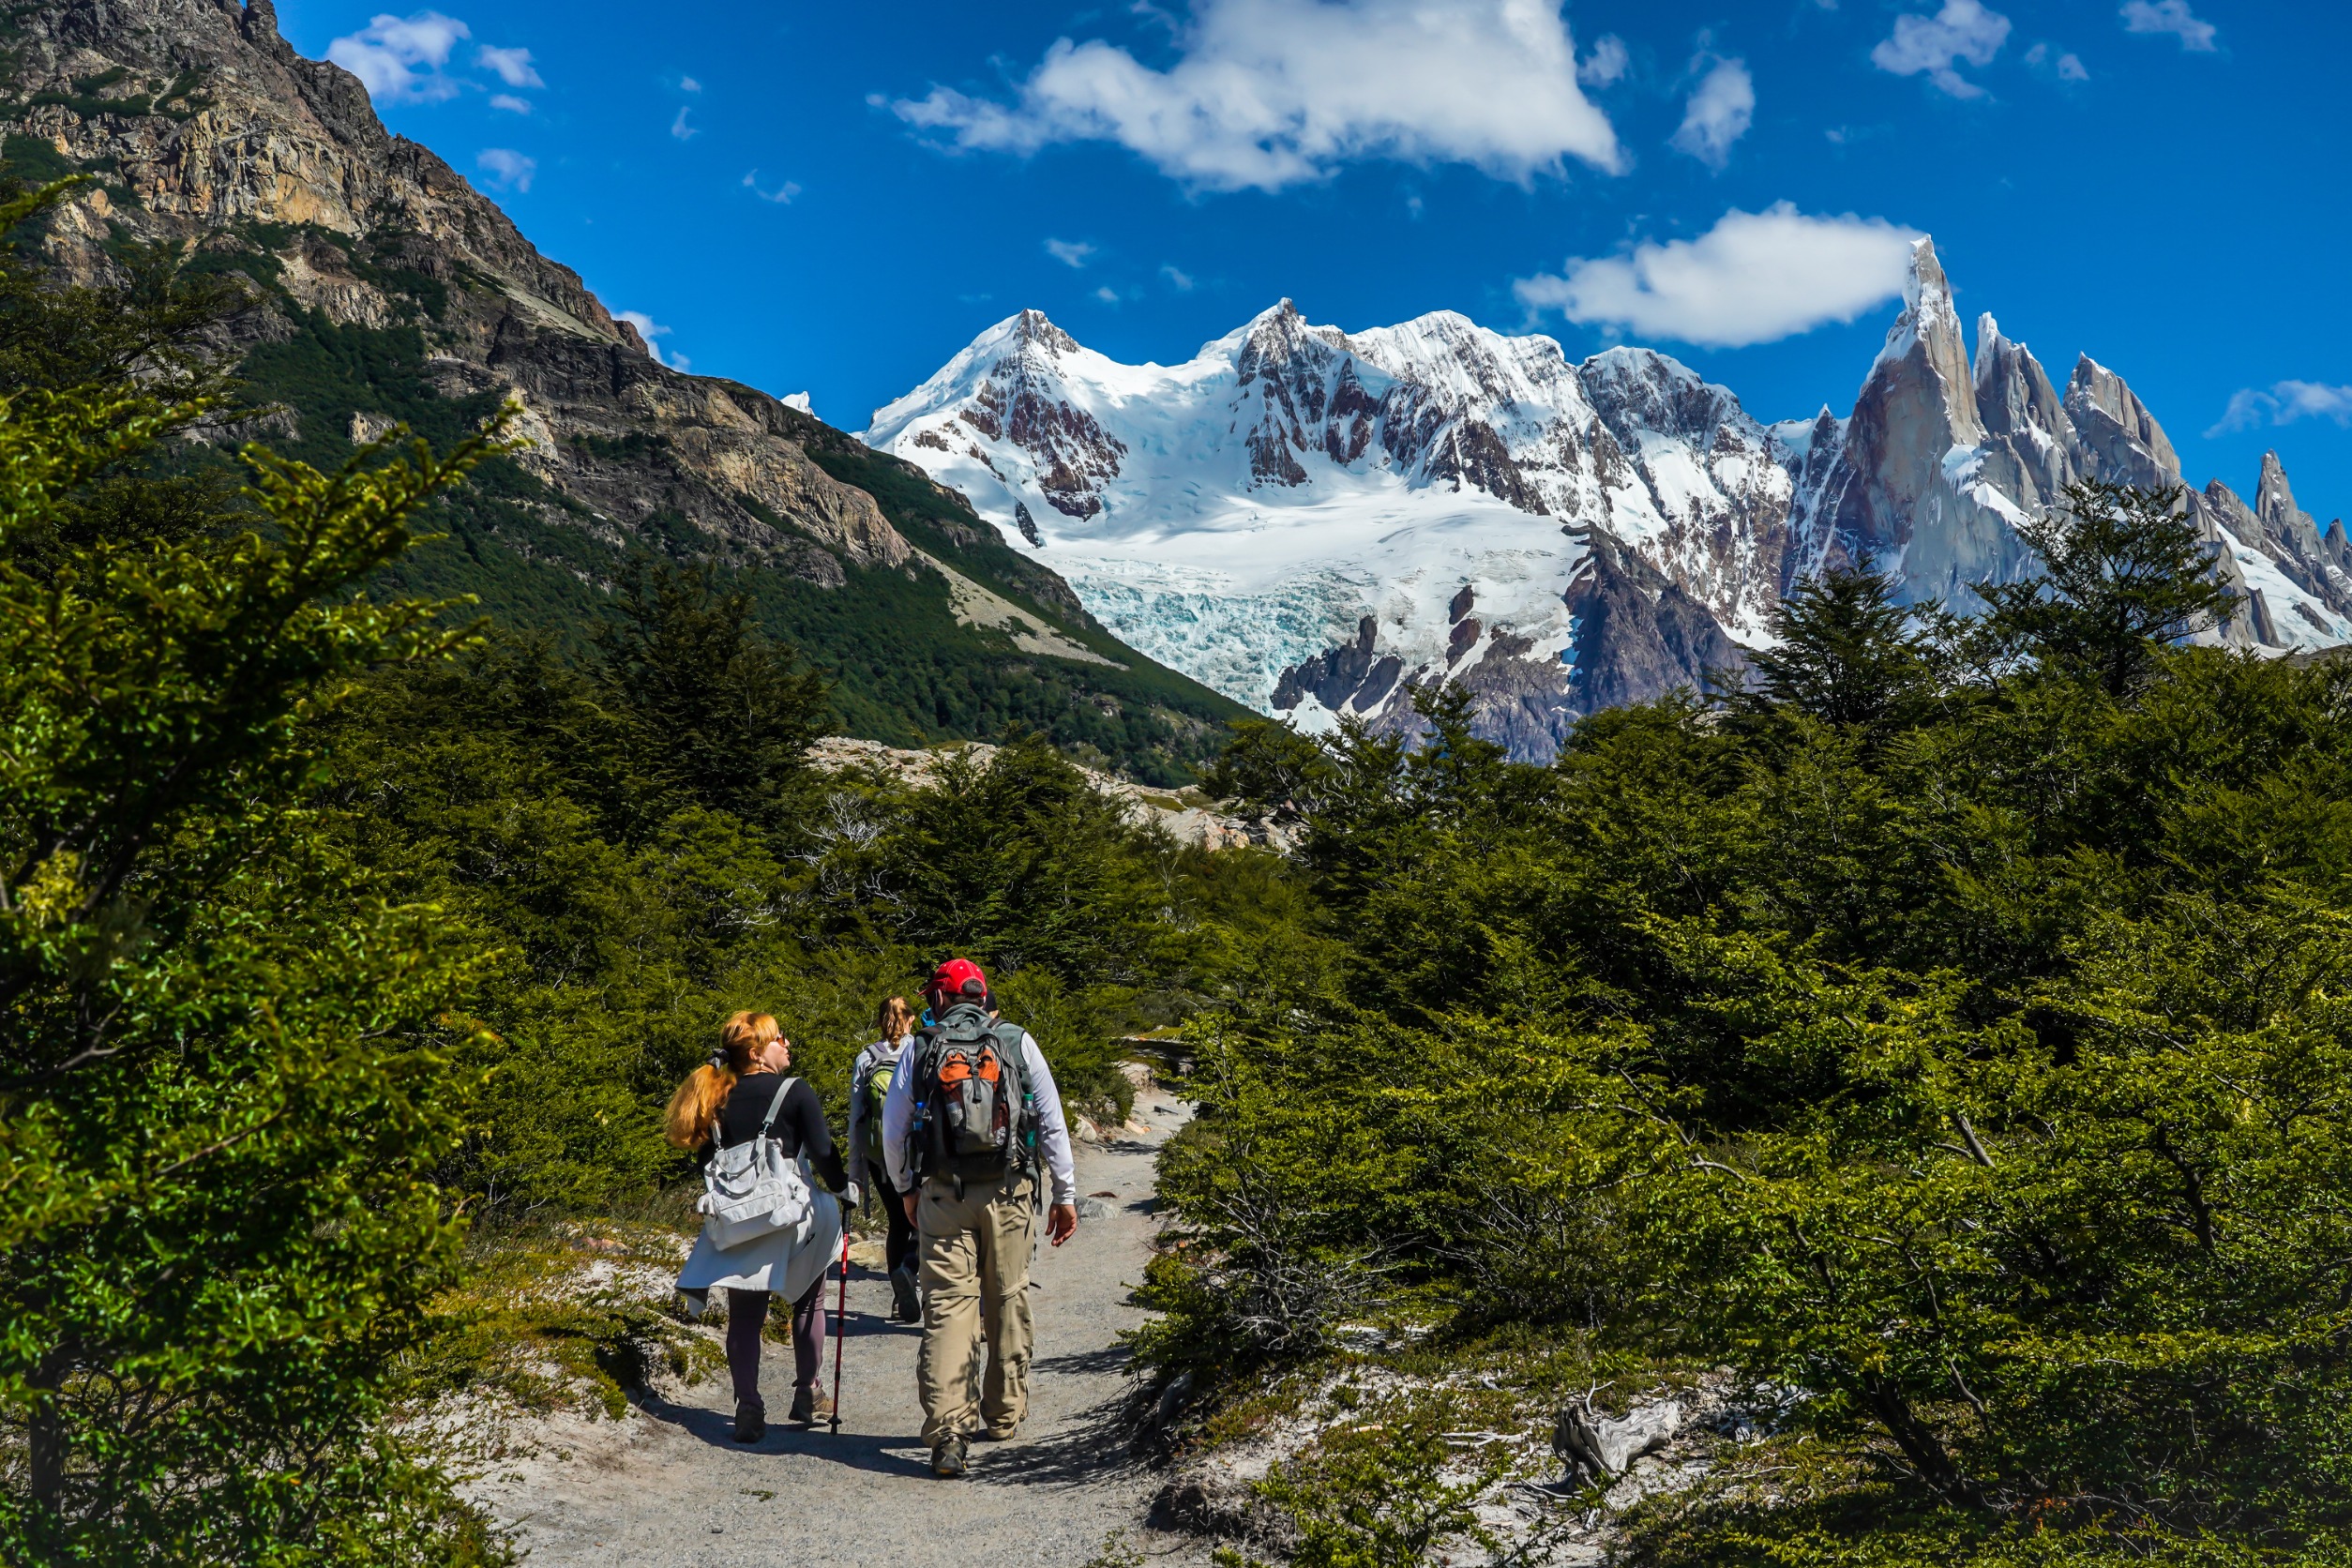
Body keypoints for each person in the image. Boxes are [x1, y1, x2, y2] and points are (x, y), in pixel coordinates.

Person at [881, 958, 1079, 1478]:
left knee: (948, 1307)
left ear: (942, 999)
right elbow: (1052, 1121)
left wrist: (906, 1189)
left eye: (931, 997)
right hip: (1011, 1191)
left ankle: (949, 1432)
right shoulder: (1015, 1041)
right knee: (1007, 1296)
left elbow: (893, 1130)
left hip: (943, 1195)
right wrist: (1065, 1193)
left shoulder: (920, 1048)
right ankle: (1003, 1413)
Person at [665, 1011, 849, 1442]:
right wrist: (844, 1189)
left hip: (738, 1223)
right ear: (757, 1053)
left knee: (745, 1318)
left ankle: (748, 1406)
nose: (786, 1043)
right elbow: (823, 1153)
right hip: (790, 1218)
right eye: (778, 1038)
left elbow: (706, 1164)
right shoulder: (795, 1091)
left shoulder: (715, 1096)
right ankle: (808, 1392)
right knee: (809, 1303)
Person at [846, 996, 922, 1322]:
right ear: (909, 1020)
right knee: (923, 1219)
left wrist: (855, 1173)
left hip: (879, 1157)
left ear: (880, 1021)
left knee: (897, 1220)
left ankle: (897, 1296)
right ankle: (910, 1270)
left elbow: (856, 1118)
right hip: (915, 1152)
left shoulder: (866, 1057)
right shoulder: (921, 1050)